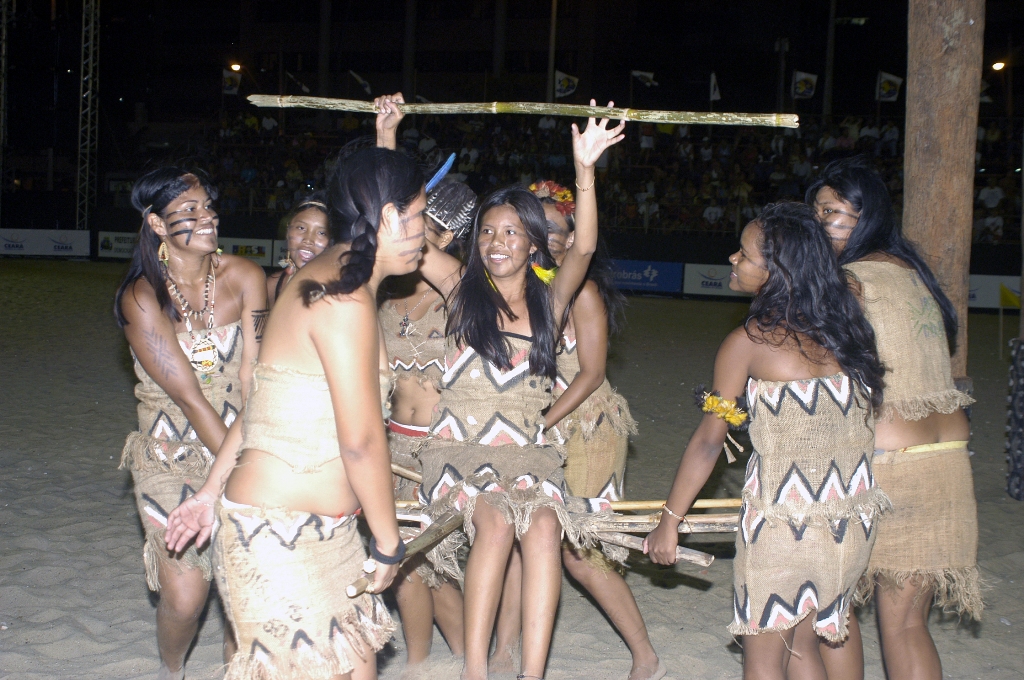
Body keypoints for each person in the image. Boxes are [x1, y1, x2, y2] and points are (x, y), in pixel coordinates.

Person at [164, 147, 425, 679]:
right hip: (275, 541)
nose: (426, 232)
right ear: (392, 218)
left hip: (328, 536)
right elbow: (362, 442)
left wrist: (209, 494)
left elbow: (266, 403)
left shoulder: (337, 282)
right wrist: (389, 542)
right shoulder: (341, 300)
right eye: (420, 216)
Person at [414, 102, 625, 680]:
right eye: (487, 231)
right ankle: (476, 670)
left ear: (535, 243)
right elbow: (407, 234)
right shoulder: (460, 289)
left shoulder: (552, 304)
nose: (497, 241)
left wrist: (585, 170)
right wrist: (387, 137)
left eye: (512, 232)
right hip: (460, 454)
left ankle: (532, 673)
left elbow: (582, 249)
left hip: (530, 454)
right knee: (498, 517)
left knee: (545, 528)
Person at [645, 202, 889, 680]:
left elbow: (710, 442)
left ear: (776, 272)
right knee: (804, 646)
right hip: (849, 522)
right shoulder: (848, 332)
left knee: (765, 659)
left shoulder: (750, 342)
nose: (733, 259)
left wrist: (669, 521)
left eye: (745, 253)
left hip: (784, 525)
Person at [808, 156, 980, 680]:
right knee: (907, 625)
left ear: (868, 216)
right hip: (946, 464)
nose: (820, 224)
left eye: (833, 213)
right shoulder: (915, 274)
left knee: (829, 611)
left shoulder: (848, 281)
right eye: (816, 212)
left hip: (880, 467)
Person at [490, 180, 663, 680]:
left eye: (557, 229)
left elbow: (590, 375)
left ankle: (645, 654)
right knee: (523, 536)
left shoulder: (581, 292)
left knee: (580, 553)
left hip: (587, 429)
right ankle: (504, 650)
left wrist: (539, 424)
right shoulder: (512, 289)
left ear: (571, 239)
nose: (547, 236)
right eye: (535, 226)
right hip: (535, 429)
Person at [114, 168, 266, 680]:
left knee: (241, 577)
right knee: (185, 595)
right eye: (191, 211)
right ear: (157, 224)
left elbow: (256, 379)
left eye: (209, 206)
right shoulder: (142, 298)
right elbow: (191, 399)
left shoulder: (245, 277)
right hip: (170, 453)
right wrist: (240, 473)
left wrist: (259, 457)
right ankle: (171, 668)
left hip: (244, 437)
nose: (209, 218)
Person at [375, 94, 478, 666]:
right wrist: (385, 137)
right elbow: (379, 217)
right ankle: (417, 663)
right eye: (416, 226)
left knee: (441, 572)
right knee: (403, 566)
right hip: (391, 449)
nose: (418, 240)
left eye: (433, 232)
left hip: (440, 454)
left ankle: (470, 666)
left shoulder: (463, 295)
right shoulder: (382, 293)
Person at [266, 192, 331, 306]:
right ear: (288, 231)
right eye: (301, 228)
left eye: (321, 233)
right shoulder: (273, 285)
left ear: (331, 241)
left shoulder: (342, 292)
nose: (308, 239)